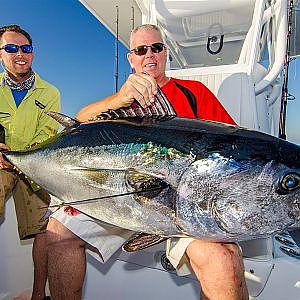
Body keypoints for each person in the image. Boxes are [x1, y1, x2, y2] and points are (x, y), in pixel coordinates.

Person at [47, 24, 248, 300]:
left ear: (165, 53)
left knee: (222, 259)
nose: (149, 55)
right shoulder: (118, 102)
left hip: (182, 209)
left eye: (156, 48)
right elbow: (79, 124)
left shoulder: (194, 93)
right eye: (141, 50)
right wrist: (120, 97)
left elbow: (234, 153)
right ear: (131, 58)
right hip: (120, 201)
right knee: (58, 233)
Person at [0, 24, 60, 300]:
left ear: (33, 54)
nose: (19, 54)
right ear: (1, 54)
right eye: (11, 48)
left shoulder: (50, 93)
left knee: (46, 227)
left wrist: (25, 159)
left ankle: (38, 294)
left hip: (33, 165)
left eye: (25, 48)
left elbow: (47, 134)